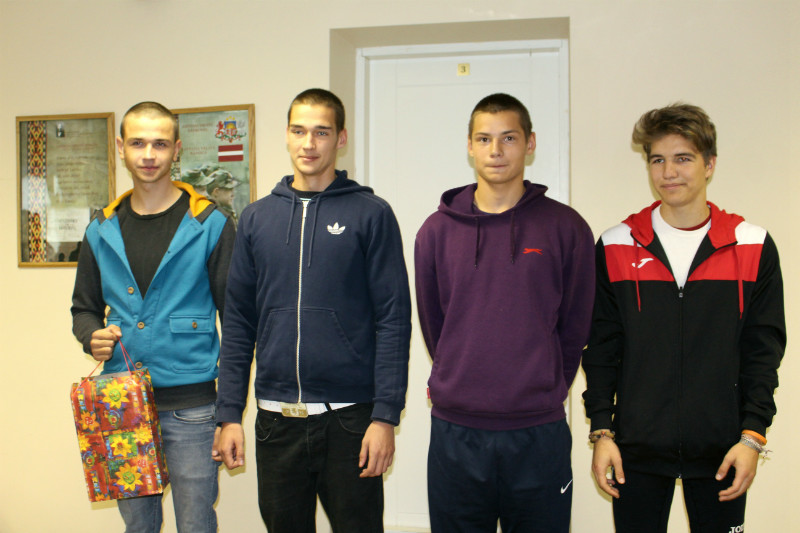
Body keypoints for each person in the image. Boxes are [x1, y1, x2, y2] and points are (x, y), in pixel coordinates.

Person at [582, 103, 786, 532]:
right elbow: (601, 348)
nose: (669, 172)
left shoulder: (752, 245)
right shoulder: (617, 245)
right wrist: (602, 431)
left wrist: (752, 437)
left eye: (683, 158)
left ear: (709, 165)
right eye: (658, 160)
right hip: (636, 451)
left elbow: (762, 353)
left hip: (723, 450)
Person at [215, 88, 411, 532]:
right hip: (275, 422)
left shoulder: (371, 214)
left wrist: (385, 416)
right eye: (299, 131)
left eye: (321, 132)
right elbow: (239, 323)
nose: (309, 143)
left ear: (341, 138)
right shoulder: (256, 218)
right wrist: (229, 414)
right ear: (286, 135)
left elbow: (394, 321)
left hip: (351, 421)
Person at [414, 93, 595, 532]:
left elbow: (576, 324)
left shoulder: (566, 227)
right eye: (484, 139)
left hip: (538, 430)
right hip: (457, 431)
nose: (495, 150)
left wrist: (546, 384)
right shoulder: (436, 231)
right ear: (470, 146)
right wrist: (459, 373)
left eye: (509, 138)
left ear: (530, 143)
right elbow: (434, 324)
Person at [71, 101, 235, 533]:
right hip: (121, 402)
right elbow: (83, 308)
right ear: (121, 147)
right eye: (138, 143)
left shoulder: (210, 223)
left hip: (192, 409)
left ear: (176, 149)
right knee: (138, 527)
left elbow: (237, 322)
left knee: (196, 525)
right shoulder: (101, 228)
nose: (148, 155)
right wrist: (91, 335)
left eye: (160, 144)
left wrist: (230, 412)